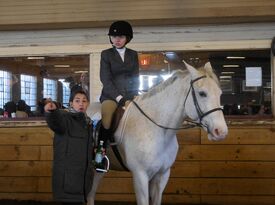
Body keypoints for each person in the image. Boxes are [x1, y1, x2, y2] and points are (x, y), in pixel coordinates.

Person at [44, 90, 93, 205]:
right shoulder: (65, 118)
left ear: (88, 104)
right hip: (67, 184)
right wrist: (52, 111)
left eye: (84, 101)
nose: (81, 104)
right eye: (77, 101)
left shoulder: (88, 123)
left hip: (81, 185)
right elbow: (55, 121)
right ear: (71, 103)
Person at [98, 20, 140, 149]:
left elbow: (135, 77)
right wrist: (120, 99)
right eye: (114, 37)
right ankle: (100, 152)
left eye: (121, 37)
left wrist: (133, 95)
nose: (117, 39)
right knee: (107, 117)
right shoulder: (106, 54)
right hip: (111, 97)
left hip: (130, 95)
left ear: (127, 38)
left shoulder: (133, 54)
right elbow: (105, 79)